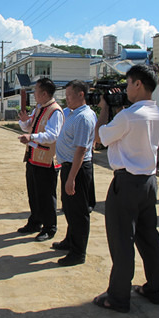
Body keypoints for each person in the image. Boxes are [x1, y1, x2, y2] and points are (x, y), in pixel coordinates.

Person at [93, 65, 159, 313]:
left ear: (137, 84)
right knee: (149, 238)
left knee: (122, 241)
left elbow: (100, 136)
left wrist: (104, 107)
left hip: (126, 184)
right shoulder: (158, 113)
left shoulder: (128, 116)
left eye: (128, 84)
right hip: (149, 182)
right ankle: (155, 288)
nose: (125, 89)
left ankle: (118, 297)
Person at [52, 80, 96, 266]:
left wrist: (71, 178)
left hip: (77, 169)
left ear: (81, 95)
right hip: (68, 166)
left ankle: (78, 253)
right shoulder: (71, 113)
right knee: (69, 209)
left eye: (70, 95)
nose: (66, 99)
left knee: (78, 212)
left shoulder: (84, 117)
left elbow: (81, 150)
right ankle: (70, 240)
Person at [17, 78, 63, 242]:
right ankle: (35, 221)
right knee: (34, 193)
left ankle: (50, 227)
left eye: (36, 90)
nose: (34, 94)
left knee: (46, 196)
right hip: (33, 157)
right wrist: (24, 123)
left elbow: (52, 136)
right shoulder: (40, 108)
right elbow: (31, 127)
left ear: (44, 93)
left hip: (47, 160)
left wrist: (31, 136)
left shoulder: (55, 111)